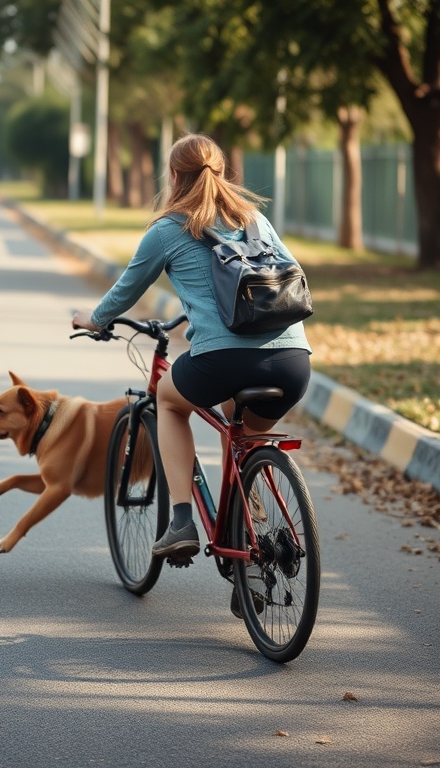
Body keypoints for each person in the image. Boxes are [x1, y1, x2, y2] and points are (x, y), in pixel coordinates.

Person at [71, 133, 312, 560]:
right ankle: (250, 546)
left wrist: (94, 320)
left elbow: (125, 291)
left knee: (168, 400)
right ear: (222, 172)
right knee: (243, 439)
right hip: (292, 360)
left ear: (174, 175)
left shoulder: (168, 229)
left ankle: (181, 519)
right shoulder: (256, 219)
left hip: (223, 360)